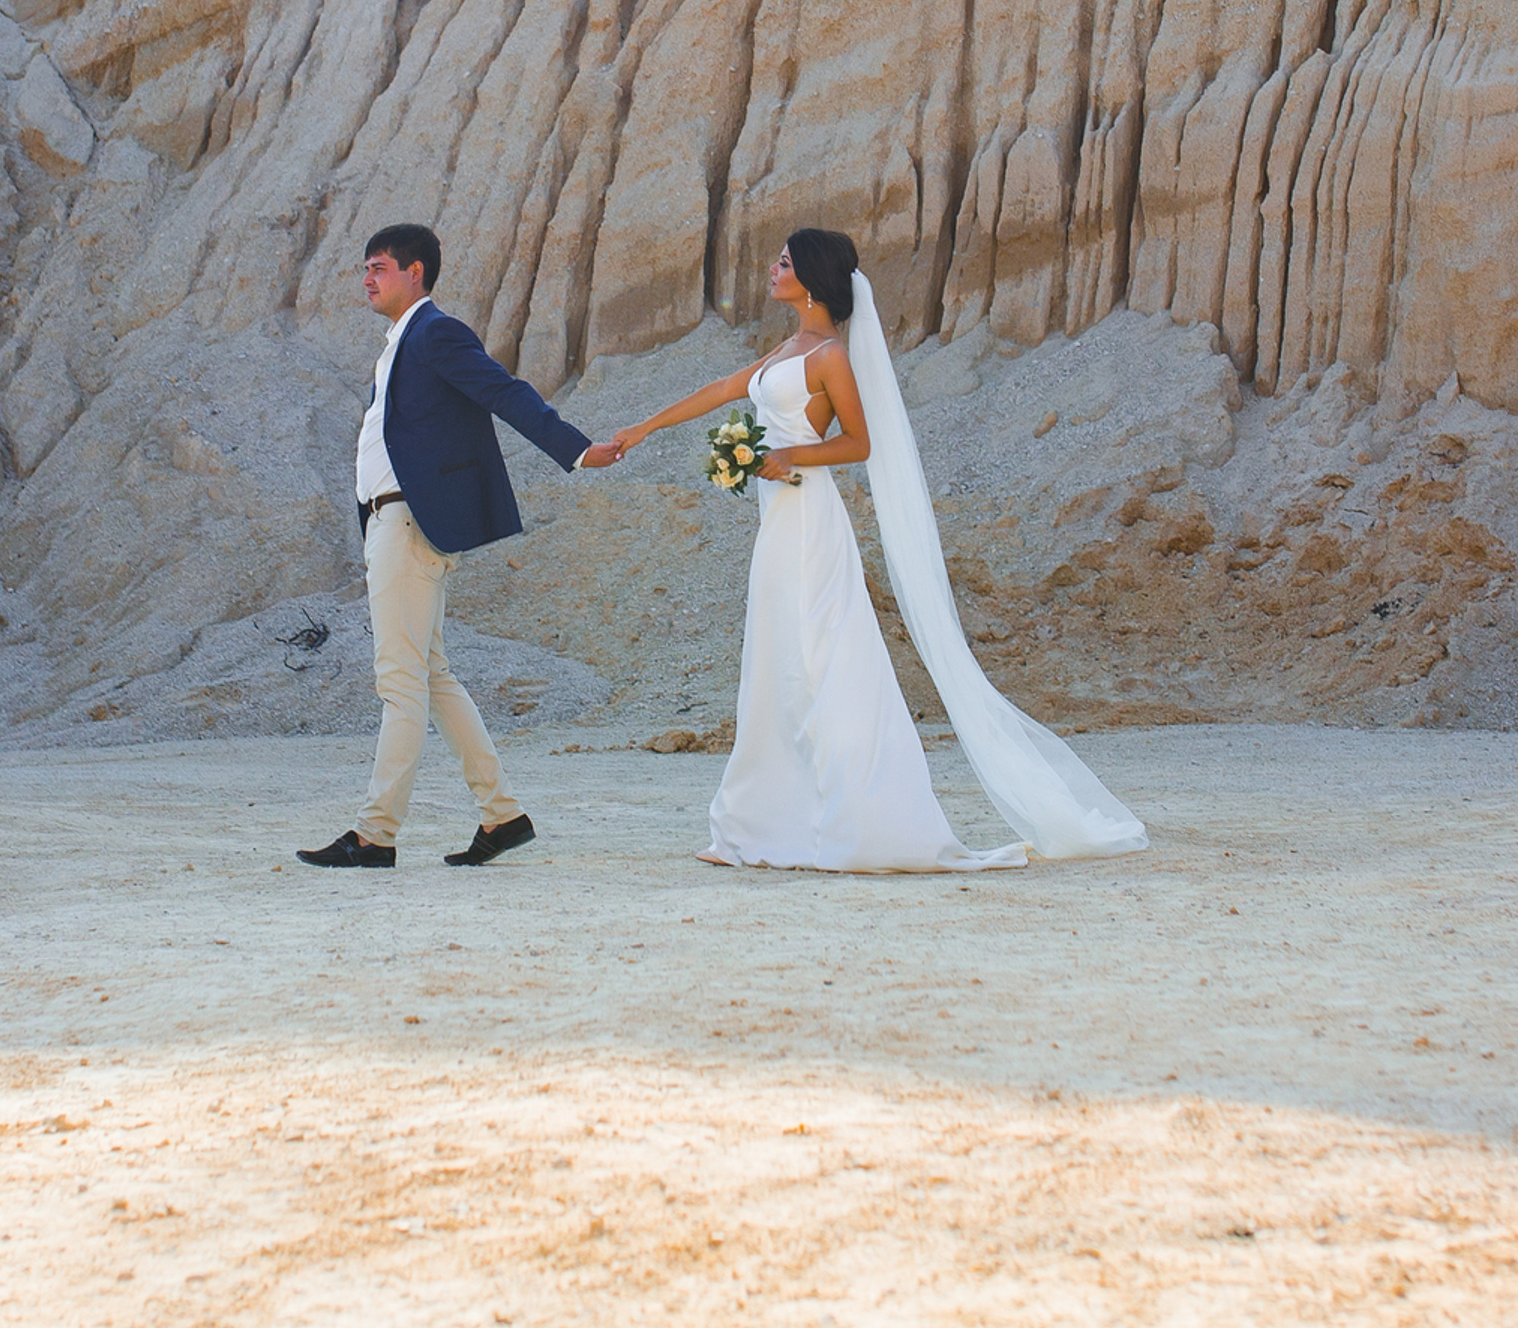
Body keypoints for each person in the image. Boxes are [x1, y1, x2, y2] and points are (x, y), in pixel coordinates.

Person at [606, 227, 1146, 872]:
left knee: (819, 660)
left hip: (809, 519)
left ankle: (860, 823)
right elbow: (724, 389)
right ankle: (756, 823)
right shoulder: (788, 347)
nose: (773, 270)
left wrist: (788, 456)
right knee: (776, 661)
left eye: (784, 262)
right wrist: (640, 429)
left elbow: (859, 444)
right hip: (777, 522)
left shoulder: (830, 355)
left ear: (811, 275)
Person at [298, 222, 619, 872]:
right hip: (394, 525)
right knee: (432, 676)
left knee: (400, 684)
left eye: (380, 266)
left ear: (416, 272)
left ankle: (374, 834)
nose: (368, 277)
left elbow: (500, 390)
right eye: (364, 267)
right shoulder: (397, 345)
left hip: (410, 526)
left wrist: (575, 449)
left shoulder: (434, 332)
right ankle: (502, 816)